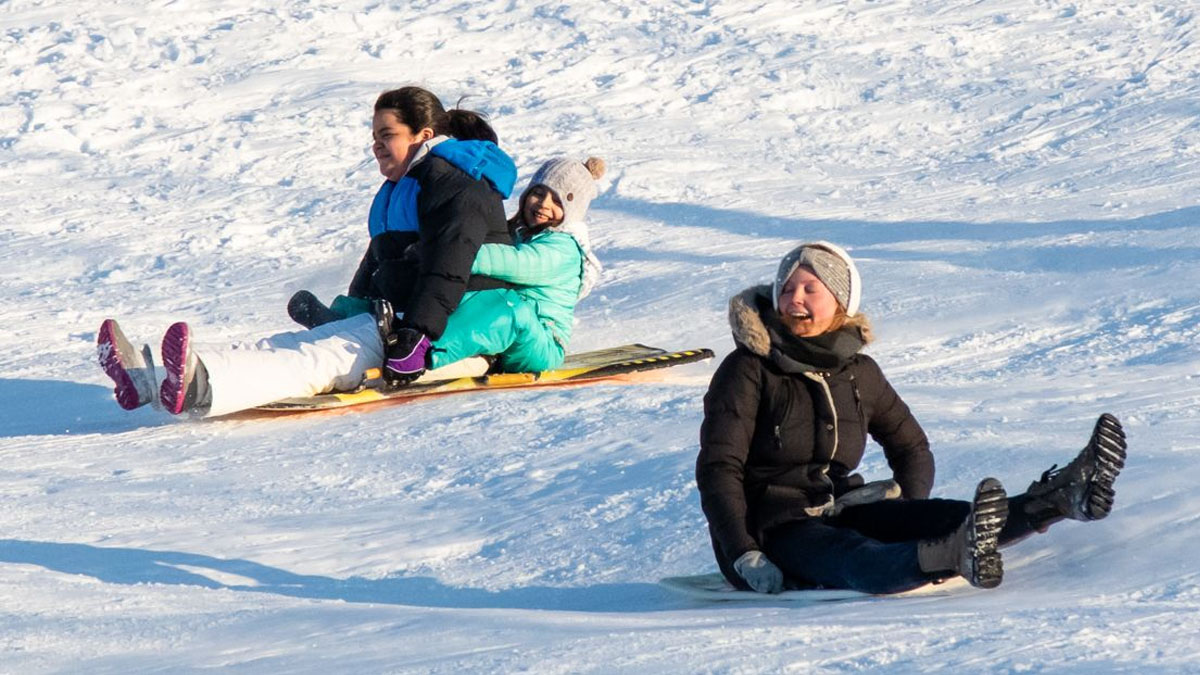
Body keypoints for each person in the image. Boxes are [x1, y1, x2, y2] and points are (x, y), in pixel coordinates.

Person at [695, 242, 1128, 594]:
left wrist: (907, 505)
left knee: (953, 515)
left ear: (841, 301)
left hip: (844, 507)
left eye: (810, 289)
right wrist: (742, 552)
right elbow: (720, 468)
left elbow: (911, 446)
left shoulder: (859, 372)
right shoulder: (748, 369)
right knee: (855, 557)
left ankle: (1059, 499)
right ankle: (952, 556)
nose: (794, 300)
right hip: (776, 531)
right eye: (786, 290)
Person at [98, 86, 518, 417]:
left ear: (423, 135)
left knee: (318, 359)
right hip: (401, 323)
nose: (376, 145)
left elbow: (449, 265)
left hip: (455, 334)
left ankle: (200, 383)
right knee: (291, 343)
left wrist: (419, 335)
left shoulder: (457, 183)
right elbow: (381, 262)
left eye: (387, 135)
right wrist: (344, 313)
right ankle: (150, 380)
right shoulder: (404, 187)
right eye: (374, 137)